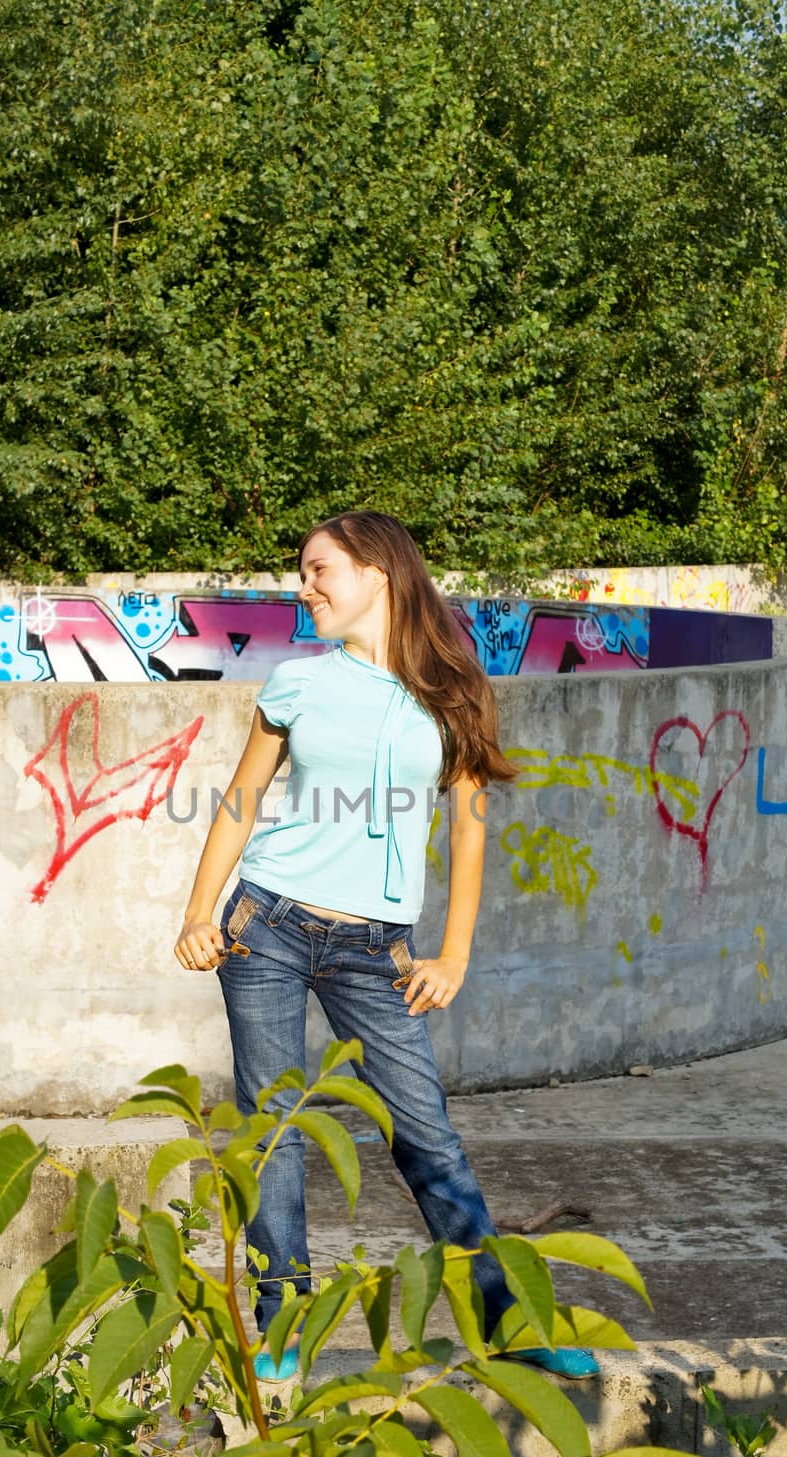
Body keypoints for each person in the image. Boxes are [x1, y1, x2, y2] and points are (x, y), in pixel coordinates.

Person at [173, 510, 598, 1382]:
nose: (304, 588)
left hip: (377, 950)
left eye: (317, 569)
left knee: (427, 1136)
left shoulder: (451, 692)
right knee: (274, 1126)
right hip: (268, 928)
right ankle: (281, 1318)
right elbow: (240, 802)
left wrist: (454, 955)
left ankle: (507, 1321)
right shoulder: (294, 683)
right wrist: (197, 912)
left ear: (376, 572)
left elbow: (470, 831)